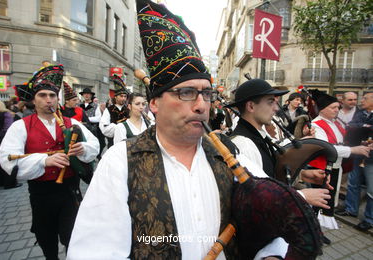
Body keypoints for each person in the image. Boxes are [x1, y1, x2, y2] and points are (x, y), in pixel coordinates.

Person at [68, 1, 286, 259]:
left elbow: (269, 217)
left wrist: (270, 254)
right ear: (154, 104)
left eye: (206, 93)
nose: (201, 105)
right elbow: (94, 251)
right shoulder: (119, 163)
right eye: (186, 92)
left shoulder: (228, 154)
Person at [0, 65, 99, 260]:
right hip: (41, 193)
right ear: (34, 99)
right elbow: (7, 160)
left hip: (70, 190)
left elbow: (93, 146)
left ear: (57, 98)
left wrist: (83, 149)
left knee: (72, 237)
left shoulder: (71, 123)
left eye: (52, 95)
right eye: (43, 95)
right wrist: (45, 161)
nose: (48, 100)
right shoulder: (21, 126)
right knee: (46, 238)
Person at [226, 79, 332, 209]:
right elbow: (256, 196)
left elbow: (267, 172)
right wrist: (301, 196)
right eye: (270, 102)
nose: (276, 108)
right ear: (251, 106)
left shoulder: (259, 137)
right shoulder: (243, 144)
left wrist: (302, 175)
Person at [309, 91, 371, 230]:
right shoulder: (316, 124)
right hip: (322, 168)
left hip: (336, 166)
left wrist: (362, 144)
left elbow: (343, 142)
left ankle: (320, 230)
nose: (337, 110)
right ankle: (315, 229)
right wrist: (353, 150)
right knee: (320, 201)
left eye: (338, 107)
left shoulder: (336, 123)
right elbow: (326, 148)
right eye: (333, 108)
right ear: (322, 109)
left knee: (329, 201)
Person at [336, 92, 373, 231]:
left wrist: (363, 127)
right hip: (358, 154)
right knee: (353, 183)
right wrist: (367, 126)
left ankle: (369, 219)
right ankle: (351, 209)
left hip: (371, 158)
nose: (361, 100)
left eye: (364, 98)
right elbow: (352, 126)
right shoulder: (361, 113)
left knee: (371, 189)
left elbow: (357, 127)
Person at [99, 75, 130, 148]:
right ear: (116, 97)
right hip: (113, 143)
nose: (123, 98)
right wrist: (119, 128)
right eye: (121, 96)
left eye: (125, 96)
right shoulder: (109, 109)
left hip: (128, 142)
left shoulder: (128, 110)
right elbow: (104, 128)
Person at [79, 88, 105, 159]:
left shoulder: (95, 105)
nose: (86, 95)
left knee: (96, 143)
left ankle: (95, 156)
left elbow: (98, 118)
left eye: (88, 94)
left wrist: (87, 119)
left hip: (92, 129)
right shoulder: (79, 105)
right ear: (83, 95)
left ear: (91, 95)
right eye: (85, 94)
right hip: (81, 128)